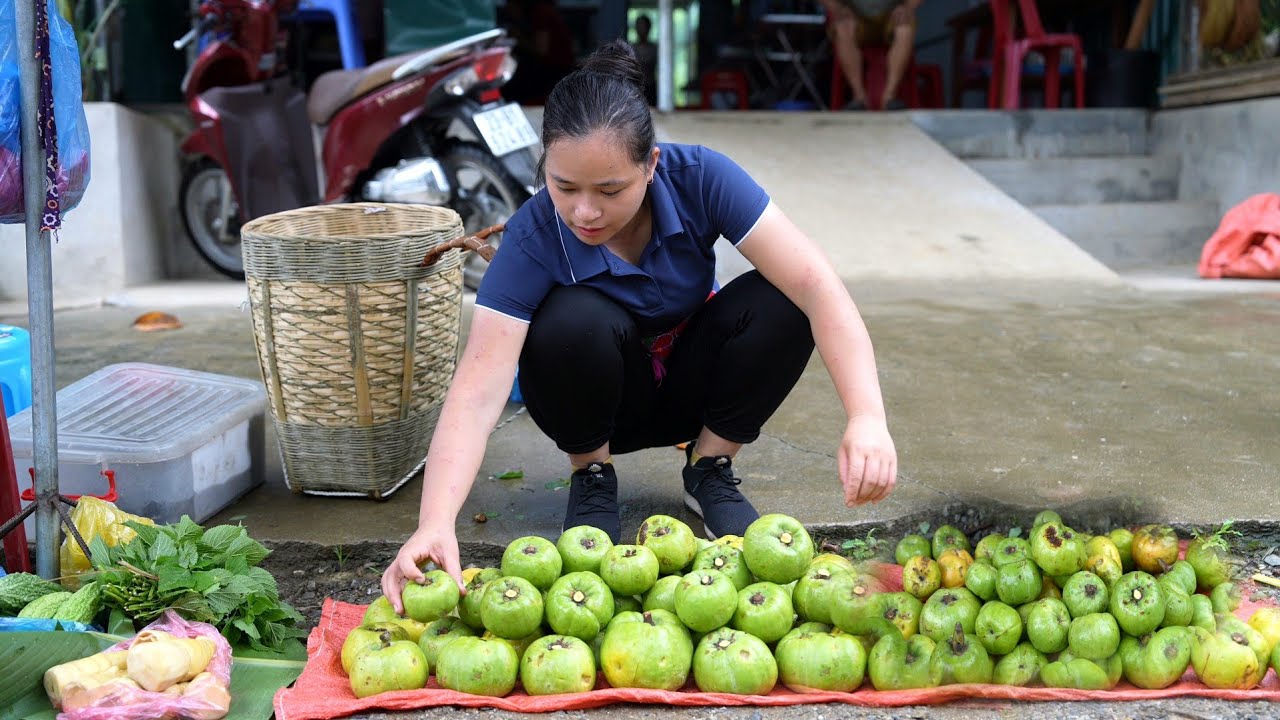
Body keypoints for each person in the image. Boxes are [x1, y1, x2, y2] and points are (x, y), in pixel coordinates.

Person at [381, 40, 897, 608]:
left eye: (610, 190)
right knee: (572, 317)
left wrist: (867, 416)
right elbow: (478, 387)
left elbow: (818, 286)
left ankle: (709, 466)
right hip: (597, 404)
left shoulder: (701, 177)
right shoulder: (531, 236)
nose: (585, 212)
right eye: (565, 187)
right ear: (544, 169)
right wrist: (434, 523)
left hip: (691, 392)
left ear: (651, 166)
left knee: (785, 296)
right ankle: (592, 476)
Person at [819, 0, 922, 111]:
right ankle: (859, 98)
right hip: (854, 17)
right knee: (843, 27)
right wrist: (837, 8)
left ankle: (890, 97)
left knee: (905, 28)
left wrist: (908, 7)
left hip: (891, 17)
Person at [630, 14, 658, 105]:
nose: (640, 29)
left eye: (643, 26)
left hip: (651, 88)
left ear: (649, 28)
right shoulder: (631, 48)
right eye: (638, 26)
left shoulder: (654, 48)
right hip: (635, 88)